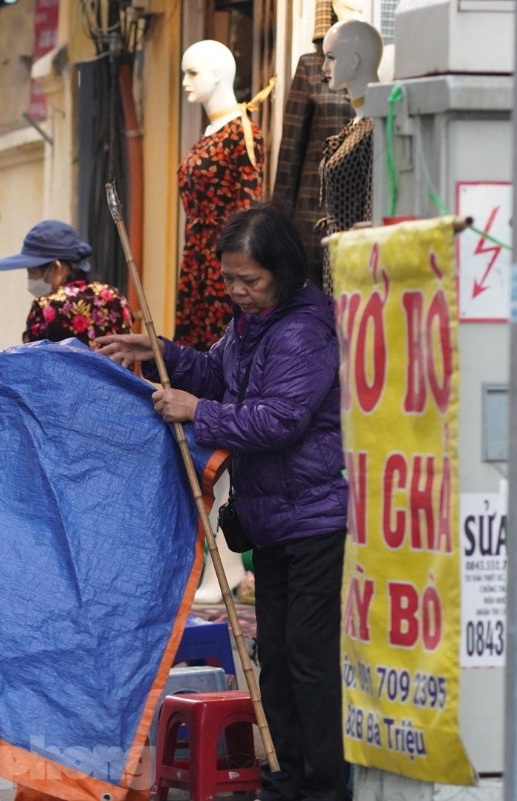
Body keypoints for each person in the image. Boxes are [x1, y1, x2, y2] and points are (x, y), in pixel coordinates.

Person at [97, 205, 350, 801]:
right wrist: (158, 349)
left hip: (317, 516)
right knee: (279, 659)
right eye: (230, 279)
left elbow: (280, 419)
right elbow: (217, 372)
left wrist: (197, 412)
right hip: (272, 516)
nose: (237, 292)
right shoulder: (251, 325)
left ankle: (324, 787)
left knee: (309, 659)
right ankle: (282, 779)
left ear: (283, 272)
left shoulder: (305, 330)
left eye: (250, 281)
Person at [175, 39, 265, 351]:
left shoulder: (242, 133)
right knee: (195, 351)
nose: (185, 81)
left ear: (216, 74)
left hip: (223, 261)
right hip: (197, 256)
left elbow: (250, 207)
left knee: (221, 348)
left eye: (192, 73)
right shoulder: (210, 133)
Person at [271, 0, 358, 288]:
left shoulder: (380, 66)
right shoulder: (313, 66)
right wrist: (277, 224)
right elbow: (289, 153)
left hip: (359, 221)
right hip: (312, 220)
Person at [0, 219, 133, 348]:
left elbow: (32, 365)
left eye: (32, 272)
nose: (30, 280)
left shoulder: (46, 307)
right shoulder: (114, 297)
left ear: (56, 268)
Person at [318, 19, 384, 294]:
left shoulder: (376, 128)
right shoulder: (358, 124)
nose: (324, 68)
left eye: (331, 58)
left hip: (358, 268)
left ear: (355, 62)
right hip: (339, 258)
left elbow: (374, 209)